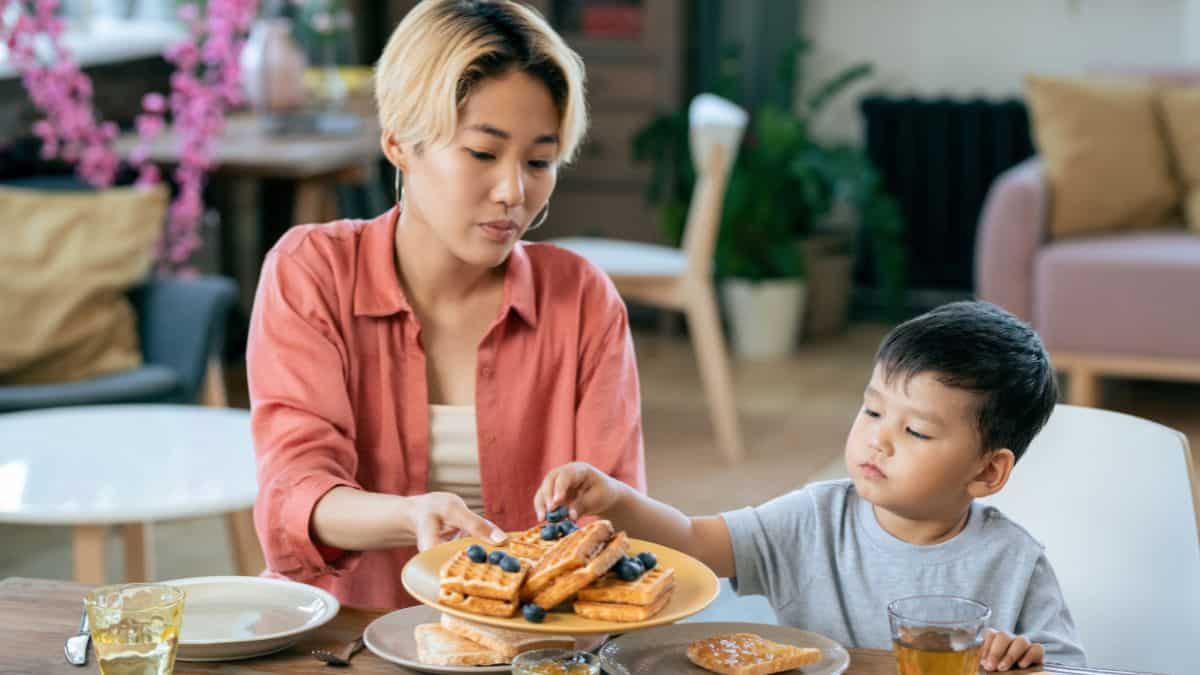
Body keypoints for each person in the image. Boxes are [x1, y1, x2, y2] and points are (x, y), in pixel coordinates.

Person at [247, 0, 646, 609]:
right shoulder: (312, 272)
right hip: (344, 636)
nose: (514, 192)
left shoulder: (582, 301)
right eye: (483, 154)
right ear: (399, 143)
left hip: (533, 647)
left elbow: (614, 525)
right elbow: (295, 495)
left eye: (539, 161)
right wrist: (411, 517)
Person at [535, 301, 1086, 671]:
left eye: (916, 430)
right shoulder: (814, 517)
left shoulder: (1014, 560)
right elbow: (693, 541)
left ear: (987, 472)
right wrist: (615, 499)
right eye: (872, 411)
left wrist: (1024, 659)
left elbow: (1068, 667)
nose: (878, 440)